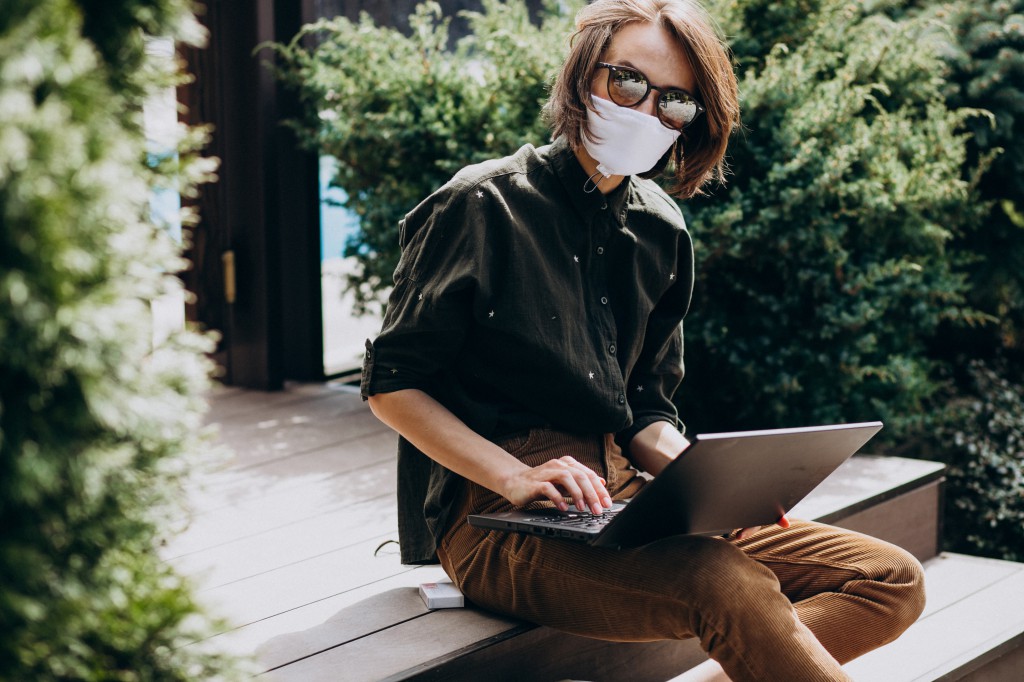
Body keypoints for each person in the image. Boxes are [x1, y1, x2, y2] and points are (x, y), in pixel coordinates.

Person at [360, 1, 926, 679]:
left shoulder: (662, 229)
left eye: (676, 103)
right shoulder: (481, 204)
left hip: (629, 496)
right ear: (581, 76)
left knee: (889, 577)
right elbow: (391, 385)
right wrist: (515, 477)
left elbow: (646, 409)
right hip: (496, 518)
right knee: (724, 580)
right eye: (627, 82)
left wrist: (705, 487)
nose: (646, 111)